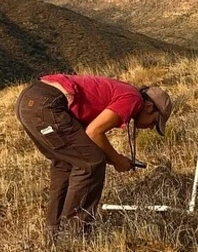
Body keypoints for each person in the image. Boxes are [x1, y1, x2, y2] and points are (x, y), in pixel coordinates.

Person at [14, 73, 173, 240]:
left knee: (65, 163)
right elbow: (94, 132)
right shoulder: (133, 100)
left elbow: (86, 139)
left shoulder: (125, 91)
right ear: (148, 107)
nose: (150, 128)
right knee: (91, 162)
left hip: (30, 101)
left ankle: (53, 233)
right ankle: (73, 235)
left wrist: (114, 159)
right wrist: (117, 160)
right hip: (47, 105)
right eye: (155, 121)